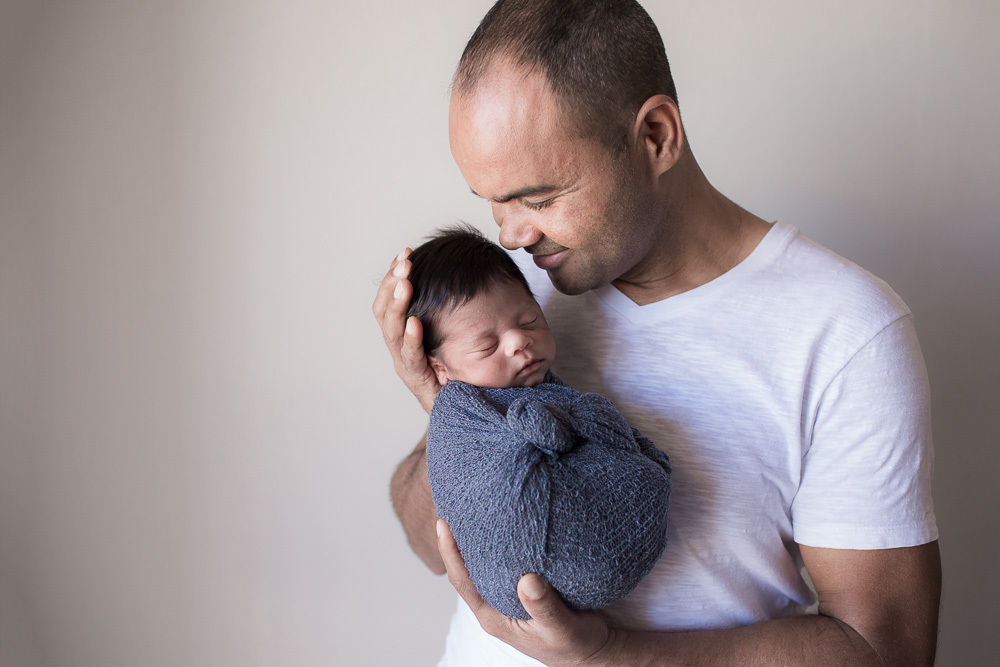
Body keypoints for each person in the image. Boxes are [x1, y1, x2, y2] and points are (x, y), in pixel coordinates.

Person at [372, 0, 941, 664]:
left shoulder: (845, 331)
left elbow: (887, 649)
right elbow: (429, 547)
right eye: (492, 202)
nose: (512, 235)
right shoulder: (518, 307)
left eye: (540, 196)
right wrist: (440, 400)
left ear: (656, 137)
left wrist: (611, 653)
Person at [407, 225, 672, 622]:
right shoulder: (461, 417)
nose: (518, 341)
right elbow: (450, 518)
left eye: (530, 320)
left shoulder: (535, 382)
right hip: (540, 561)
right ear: (441, 369)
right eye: (487, 345)